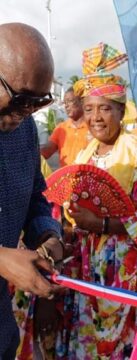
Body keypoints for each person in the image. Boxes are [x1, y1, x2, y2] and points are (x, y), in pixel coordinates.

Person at [60, 42, 137, 359]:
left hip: (130, 273)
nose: (95, 117)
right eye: (90, 108)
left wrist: (102, 224)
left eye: (105, 108)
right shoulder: (84, 155)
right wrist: (74, 222)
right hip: (90, 271)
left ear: (123, 112)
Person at [0, 22, 64, 359]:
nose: (25, 113)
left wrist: (47, 235)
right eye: (21, 99)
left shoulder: (24, 132)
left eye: (38, 103)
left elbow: (36, 197)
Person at [41, 87, 89, 168]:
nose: (66, 106)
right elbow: (46, 151)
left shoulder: (93, 128)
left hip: (88, 177)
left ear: (82, 102)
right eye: (65, 102)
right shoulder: (61, 128)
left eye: (70, 101)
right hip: (66, 178)